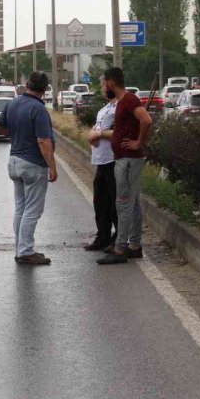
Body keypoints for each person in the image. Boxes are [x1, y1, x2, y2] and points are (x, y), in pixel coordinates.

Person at [0, 71, 58, 266]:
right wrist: (52, 166)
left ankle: (21, 248)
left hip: (14, 161)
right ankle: (25, 251)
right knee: (32, 209)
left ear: (27, 85)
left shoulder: (13, 103)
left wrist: (14, 135)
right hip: (33, 164)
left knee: (21, 208)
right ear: (44, 89)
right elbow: (43, 141)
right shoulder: (38, 109)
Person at [97, 67, 153, 265]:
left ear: (111, 82)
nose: (104, 87)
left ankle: (120, 248)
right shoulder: (123, 102)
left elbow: (146, 120)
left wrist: (138, 142)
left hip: (128, 159)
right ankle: (134, 246)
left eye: (105, 83)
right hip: (125, 158)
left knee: (123, 203)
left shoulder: (129, 100)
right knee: (133, 203)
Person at [84, 75, 117, 251]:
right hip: (101, 161)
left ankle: (118, 239)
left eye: (104, 85)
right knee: (100, 202)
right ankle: (102, 236)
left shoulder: (119, 107)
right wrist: (93, 134)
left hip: (113, 160)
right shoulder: (105, 108)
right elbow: (97, 128)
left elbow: (119, 132)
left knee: (114, 203)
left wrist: (99, 134)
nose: (102, 88)